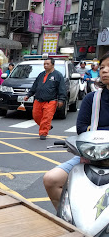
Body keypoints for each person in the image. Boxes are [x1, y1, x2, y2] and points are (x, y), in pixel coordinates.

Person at [43, 54, 109, 208]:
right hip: (92, 157)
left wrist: (98, 131)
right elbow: (81, 129)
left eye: (108, 66)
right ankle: (70, 220)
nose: (104, 71)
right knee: (51, 180)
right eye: (102, 67)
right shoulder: (91, 99)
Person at [25, 57, 66, 140]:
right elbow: (35, 86)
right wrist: (29, 95)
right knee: (36, 116)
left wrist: (61, 100)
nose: (45, 65)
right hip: (38, 100)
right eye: (44, 64)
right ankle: (47, 126)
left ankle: (43, 133)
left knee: (46, 118)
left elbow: (62, 89)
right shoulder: (41, 74)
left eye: (48, 64)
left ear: (53, 65)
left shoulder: (58, 75)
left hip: (50, 101)